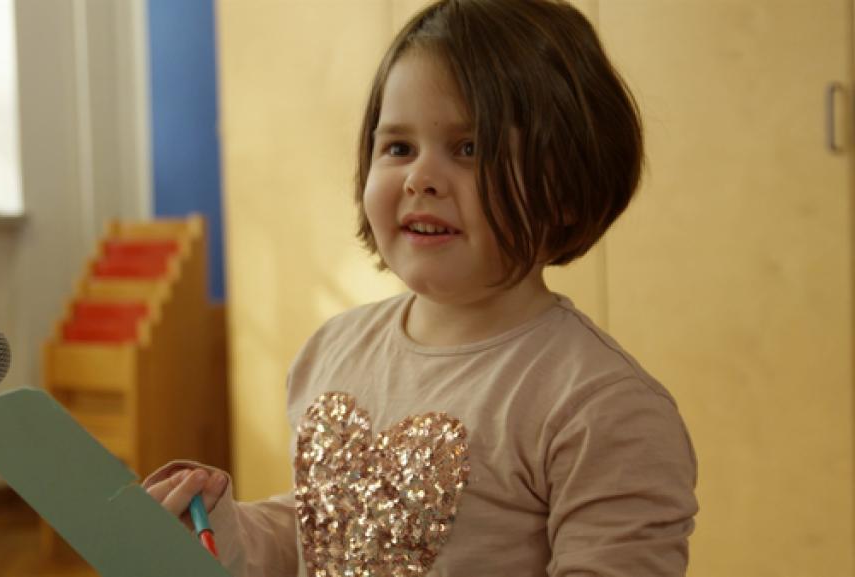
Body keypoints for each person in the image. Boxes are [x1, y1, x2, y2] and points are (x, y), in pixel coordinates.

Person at [143, 0, 698, 575]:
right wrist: (225, 532)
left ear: (566, 191)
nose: (420, 178)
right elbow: (324, 533)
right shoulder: (333, 351)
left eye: (470, 148)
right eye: (399, 148)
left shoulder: (603, 407)